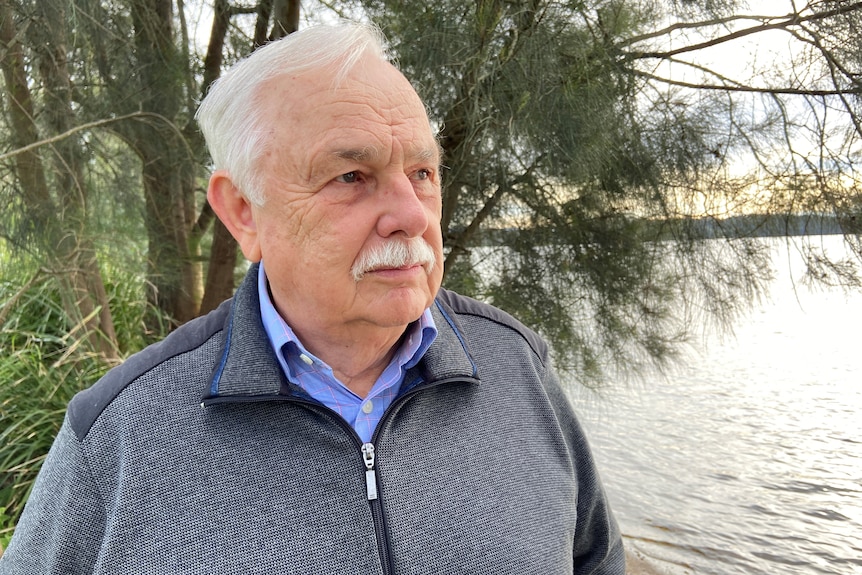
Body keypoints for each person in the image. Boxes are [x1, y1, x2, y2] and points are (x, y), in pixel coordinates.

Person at [0, 21, 625, 574]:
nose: (410, 214)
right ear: (243, 211)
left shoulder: (518, 368)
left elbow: (596, 560)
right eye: (351, 177)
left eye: (423, 173)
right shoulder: (121, 433)